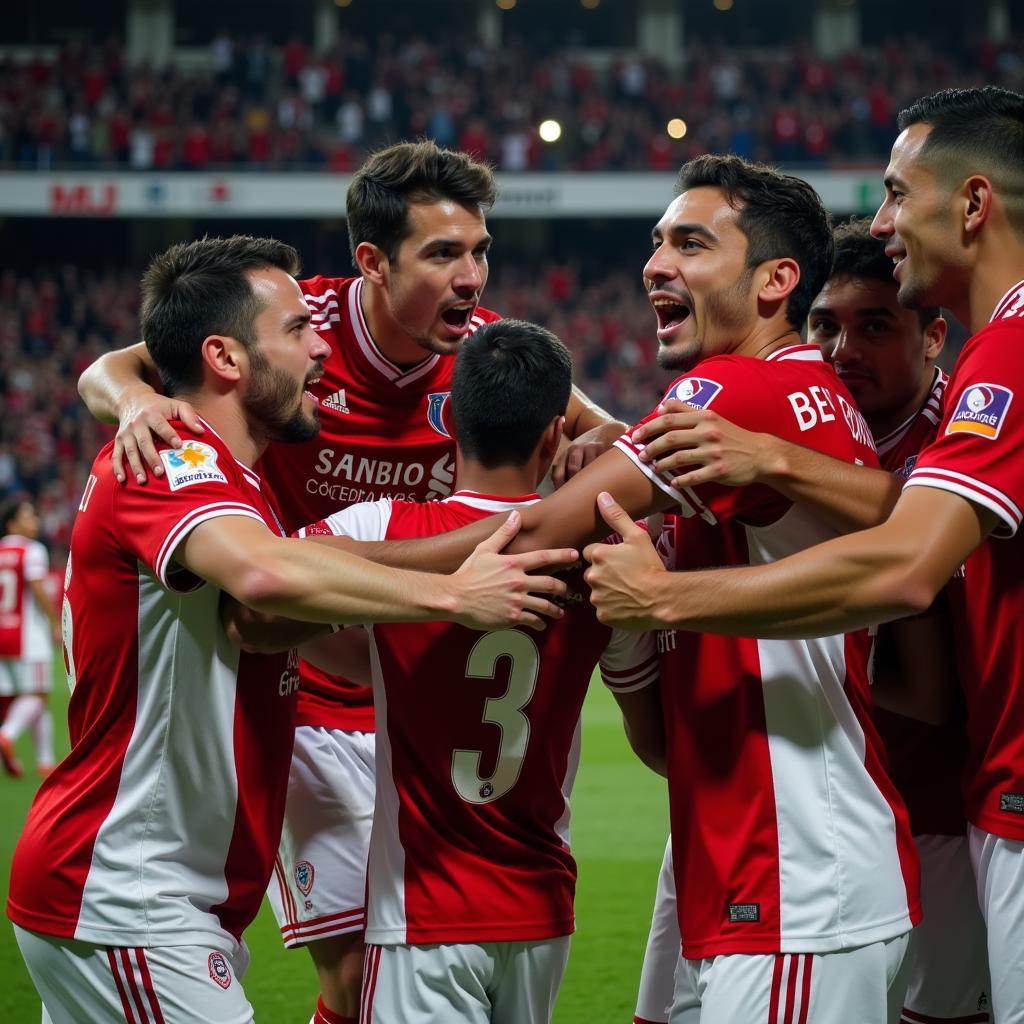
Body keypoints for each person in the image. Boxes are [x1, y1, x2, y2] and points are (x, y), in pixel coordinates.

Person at [312, 154, 922, 1021]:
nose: (656, 264)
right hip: (749, 842)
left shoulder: (739, 388)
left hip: (797, 867)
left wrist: (332, 565)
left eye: (692, 244)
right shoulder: (801, 392)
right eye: (656, 242)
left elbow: (542, 530)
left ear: (775, 281)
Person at [77, 141, 623, 1024]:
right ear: (372, 262)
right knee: (352, 981)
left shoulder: (482, 354)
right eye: (443, 254)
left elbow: (605, 430)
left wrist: (606, 443)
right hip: (315, 683)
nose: (472, 277)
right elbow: (119, 365)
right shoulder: (299, 332)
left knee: (433, 953)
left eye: (481, 250)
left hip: (421, 691)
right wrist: (136, 399)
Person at [582, 87, 1024, 1024]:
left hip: (855, 831)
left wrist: (664, 601)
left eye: (901, 194)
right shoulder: (933, 394)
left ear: (975, 203)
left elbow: (906, 564)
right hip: (864, 806)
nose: (886, 220)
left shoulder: (1006, 356)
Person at [299, 318, 662, 1023]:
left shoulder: (377, 529)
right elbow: (652, 726)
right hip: (539, 906)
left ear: (450, 418)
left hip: (423, 909)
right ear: (555, 435)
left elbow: (275, 577)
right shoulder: (601, 558)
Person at [0, 498, 61, 779]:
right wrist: (55, 622)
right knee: (38, 694)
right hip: (28, 637)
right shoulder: (32, 550)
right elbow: (37, 588)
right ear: (12, 523)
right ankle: (7, 734)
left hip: (3, 632)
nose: (35, 520)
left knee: (24, 699)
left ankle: (44, 761)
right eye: (28, 516)